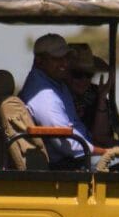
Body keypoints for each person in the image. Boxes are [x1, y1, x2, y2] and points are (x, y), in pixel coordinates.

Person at [19, 33, 108, 168]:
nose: (64, 63)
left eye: (66, 58)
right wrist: (109, 153)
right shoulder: (44, 96)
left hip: (81, 154)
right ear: (39, 60)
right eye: (57, 58)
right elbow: (69, 145)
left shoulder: (56, 84)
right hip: (70, 162)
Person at [65, 43, 116, 148]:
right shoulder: (58, 96)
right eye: (77, 74)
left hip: (95, 152)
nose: (84, 80)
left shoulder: (95, 94)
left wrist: (101, 99)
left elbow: (101, 137)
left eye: (89, 75)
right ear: (65, 73)